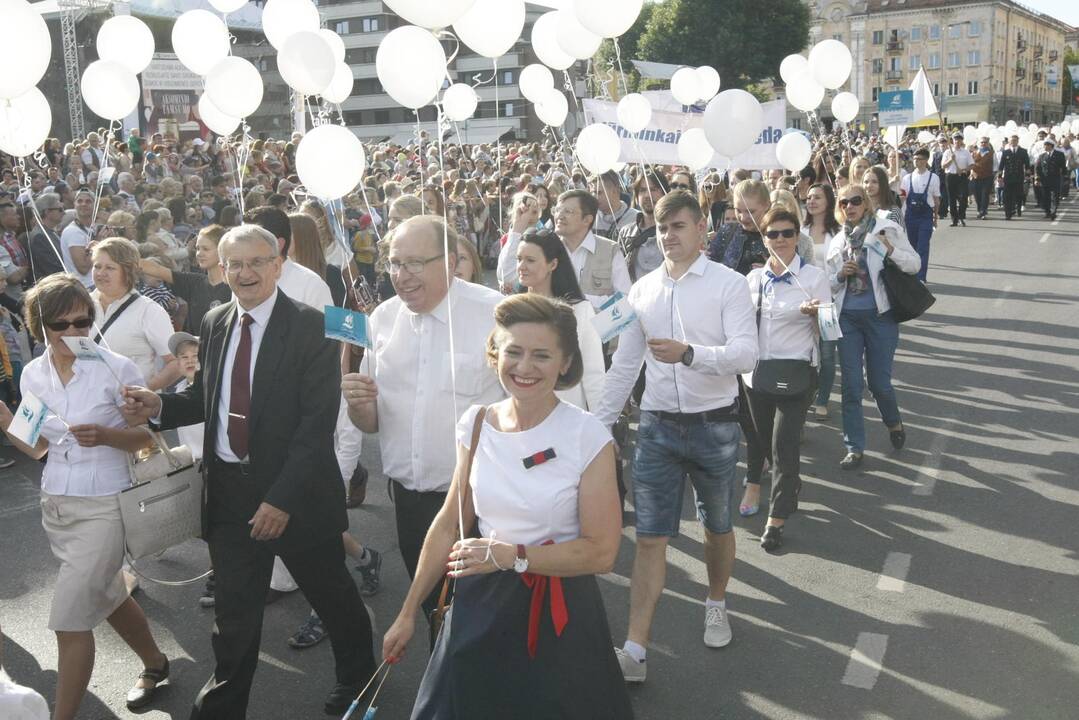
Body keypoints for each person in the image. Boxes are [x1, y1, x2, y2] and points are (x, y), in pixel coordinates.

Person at [121, 224, 377, 718]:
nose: (245, 273)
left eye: (257, 262)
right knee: (235, 614)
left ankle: (358, 685)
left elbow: (314, 425)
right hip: (230, 494)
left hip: (297, 496)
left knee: (333, 598)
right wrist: (158, 406)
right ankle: (222, 706)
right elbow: (206, 397)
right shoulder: (215, 321)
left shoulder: (311, 325)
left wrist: (281, 499)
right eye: (234, 263)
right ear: (222, 268)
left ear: (278, 264)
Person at [382, 293, 632, 719]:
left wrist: (513, 556)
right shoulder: (476, 422)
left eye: (541, 355)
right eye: (513, 352)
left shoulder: (587, 437)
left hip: (560, 610)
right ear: (494, 354)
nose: (524, 367)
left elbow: (601, 552)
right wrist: (407, 612)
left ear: (565, 362)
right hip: (480, 601)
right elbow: (449, 524)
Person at [596, 190, 758, 682]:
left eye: (679, 227)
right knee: (649, 537)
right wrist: (598, 426)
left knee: (716, 528)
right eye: (663, 228)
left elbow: (747, 356)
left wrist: (692, 354)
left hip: (715, 426)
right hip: (658, 427)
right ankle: (636, 648)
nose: (669, 236)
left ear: (702, 230)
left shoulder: (729, 285)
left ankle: (715, 600)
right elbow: (624, 366)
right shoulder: (641, 292)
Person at [0, 275, 169, 719]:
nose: (76, 331)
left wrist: (109, 435)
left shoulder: (116, 368)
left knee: (70, 619)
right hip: (56, 502)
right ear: (39, 327)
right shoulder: (33, 373)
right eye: (64, 323)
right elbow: (36, 445)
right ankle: (155, 661)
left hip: (107, 505)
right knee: (109, 594)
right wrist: (5, 419)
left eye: (84, 320)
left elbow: (146, 440)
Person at [343, 215, 504, 625]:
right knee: (435, 612)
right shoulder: (381, 319)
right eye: (394, 263)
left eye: (415, 263)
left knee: (482, 617)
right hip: (410, 503)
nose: (401, 275)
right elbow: (373, 422)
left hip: (480, 503)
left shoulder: (496, 314)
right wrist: (359, 406)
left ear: (451, 261)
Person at [738, 208, 830, 552]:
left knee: (783, 444)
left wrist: (817, 315)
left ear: (797, 237)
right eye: (773, 234)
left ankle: (775, 520)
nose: (780, 240)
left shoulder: (815, 277)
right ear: (764, 239)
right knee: (764, 446)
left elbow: (831, 332)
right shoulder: (752, 281)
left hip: (797, 373)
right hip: (757, 375)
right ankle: (787, 485)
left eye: (787, 233)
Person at [826, 184, 921, 470]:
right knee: (851, 387)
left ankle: (893, 421)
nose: (850, 206)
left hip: (881, 317)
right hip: (848, 319)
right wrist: (840, 275)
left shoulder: (885, 229)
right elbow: (826, 284)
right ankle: (854, 447)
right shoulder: (837, 241)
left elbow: (914, 264)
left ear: (865, 204)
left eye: (855, 200)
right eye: (844, 203)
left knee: (878, 383)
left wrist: (890, 250)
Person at [516, 227, 604, 411]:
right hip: (518, 415)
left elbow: (593, 374)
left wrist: (601, 427)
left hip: (566, 414)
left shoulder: (579, 311)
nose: (521, 266)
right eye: (519, 259)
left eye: (530, 260)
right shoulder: (510, 309)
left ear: (553, 264)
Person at [91, 238, 180, 390]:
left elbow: (176, 363)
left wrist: (144, 390)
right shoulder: (80, 305)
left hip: (131, 408)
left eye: (110, 268)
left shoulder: (149, 311)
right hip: (86, 405)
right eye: (97, 266)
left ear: (128, 271)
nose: (101, 273)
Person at [139, 224, 232, 335]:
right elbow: (155, 269)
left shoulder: (234, 287)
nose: (199, 254)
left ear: (222, 251)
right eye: (197, 248)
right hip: (192, 350)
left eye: (205, 249)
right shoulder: (194, 282)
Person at [551, 189, 631, 310]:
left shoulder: (609, 250)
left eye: (568, 211)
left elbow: (625, 297)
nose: (559, 216)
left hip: (598, 327)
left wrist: (584, 302)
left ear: (587, 220)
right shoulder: (547, 248)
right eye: (557, 210)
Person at [707, 179, 770, 274]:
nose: (743, 218)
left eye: (750, 212)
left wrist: (772, 271)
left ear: (767, 205)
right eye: (738, 211)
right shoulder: (727, 231)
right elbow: (710, 268)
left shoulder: (778, 235)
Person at [617, 170, 669, 283]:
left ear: (664, 193)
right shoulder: (626, 232)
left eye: (653, 189)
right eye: (642, 190)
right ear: (636, 196)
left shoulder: (673, 232)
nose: (647, 195)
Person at [899, 147, 940, 282]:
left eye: (920, 159)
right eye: (915, 159)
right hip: (910, 216)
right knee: (912, 247)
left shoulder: (933, 178)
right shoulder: (907, 178)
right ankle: (913, 273)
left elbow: (936, 199)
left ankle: (921, 277)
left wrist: (935, 218)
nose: (916, 161)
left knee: (923, 246)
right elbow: (902, 197)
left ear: (926, 160)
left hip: (925, 217)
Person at [26, 193, 67, 284]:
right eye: (60, 209)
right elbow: (53, 270)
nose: (64, 212)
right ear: (47, 212)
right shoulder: (39, 237)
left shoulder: (49, 232)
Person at [59, 189, 95, 287]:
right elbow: (83, 268)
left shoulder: (91, 228)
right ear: (74, 205)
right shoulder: (73, 232)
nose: (83, 204)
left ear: (95, 206)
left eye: (88, 201)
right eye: (80, 201)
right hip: (85, 286)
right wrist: (97, 245)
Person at [592, 170, 638, 240]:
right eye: (593, 192)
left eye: (599, 192)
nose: (595, 197)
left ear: (615, 191)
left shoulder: (636, 218)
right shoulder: (589, 219)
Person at [942, 133, 973, 226]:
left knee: (964, 196)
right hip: (951, 176)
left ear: (962, 141)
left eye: (959, 139)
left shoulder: (966, 152)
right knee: (952, 199)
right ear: (953, 140)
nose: (957, 141)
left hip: (962, 176)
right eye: (956, 139)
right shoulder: (948, 152)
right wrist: (951, 160)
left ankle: (961, 216)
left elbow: (972, 164)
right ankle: (954, 219)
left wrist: (964, 170)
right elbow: (943, 166)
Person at [999, 134, 1030, 220]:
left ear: (1017, 141)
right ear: (1009, 142)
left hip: (1019, 177)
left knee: (1018, 194)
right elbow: (1001, 166)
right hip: (1008, 177)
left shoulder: (1023, 151)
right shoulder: (1005, 152)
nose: (1013, 142)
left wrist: (1027, 175)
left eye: (1015, 140)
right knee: (1007, 196)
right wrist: (999, 176)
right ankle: (1008, 213)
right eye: (1011, 141)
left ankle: (1018, 208)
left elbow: (1027, 165)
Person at [1035, 138, 1066, 221]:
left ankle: (1053, 211)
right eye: (1044, 145)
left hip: (1056, 178)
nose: (1045, 147)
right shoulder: (1042, 156)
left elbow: (1063, 167)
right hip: (1045, 179)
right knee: (1046, 196)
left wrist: (1064, 176)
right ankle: (1047, 212)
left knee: (1055, 196)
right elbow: (1038, 168)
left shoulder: (1059, 154)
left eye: (1047, 145)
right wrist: (1037, 178)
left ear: (1051, 146)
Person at [970, 136, 995, 220]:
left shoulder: (991, 153)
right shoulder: (974, 153)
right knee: (977, 195)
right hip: (976, 177)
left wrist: (995, 175)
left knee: (985, 194)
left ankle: (983, 211)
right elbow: (970, 164)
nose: (983, 144)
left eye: (985, 142)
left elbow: (995, 165)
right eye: (982, 142)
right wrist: (971, 172)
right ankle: (979, 209)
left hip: (987, 177)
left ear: (988, 143)